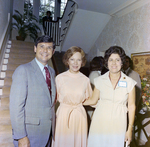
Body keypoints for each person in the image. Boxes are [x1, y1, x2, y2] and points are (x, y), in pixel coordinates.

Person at [84, 46, 137, 147]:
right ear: (106, 62)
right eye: (111, 60)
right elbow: (93, 100)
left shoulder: (130, 83)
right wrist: (75, 101)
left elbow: (131, 107)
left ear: (122, 62)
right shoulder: (99, 80)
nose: (114, 63)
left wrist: (129, 129)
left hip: (118, 124)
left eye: (117, 60)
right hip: (99, 123)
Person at [9, 35, 56, 147]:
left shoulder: (52, 72)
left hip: (47, 133)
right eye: (42, 46)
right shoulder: (23, 70)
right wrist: (21, 136)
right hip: (29, 135)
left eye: (49, 48)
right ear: (35, 48)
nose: (45, 50)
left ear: (53, 51)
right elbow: (16, 107)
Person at [52, 46, 92, 147]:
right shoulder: (59, 78)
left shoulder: (85, 80)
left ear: (82, 62)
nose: (75, 63)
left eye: (78, 60)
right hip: (63, 115)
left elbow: (90, 99)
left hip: (79, 116)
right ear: (67, 61)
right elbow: (53, 99)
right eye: (72, 59)